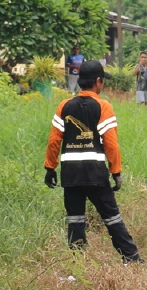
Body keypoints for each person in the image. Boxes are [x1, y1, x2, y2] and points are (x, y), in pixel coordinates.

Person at [43, 60, 141, 262]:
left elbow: (54, 141)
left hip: (71, 174)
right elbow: (111, 143)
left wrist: (50, 167)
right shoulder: (102, 106)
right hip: (95, 173)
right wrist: (116, 171)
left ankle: (78, 262)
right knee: (112, 217)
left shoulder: (64, 106)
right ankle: (131, 258)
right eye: (102, 80)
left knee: (75, 220)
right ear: (97, 81)